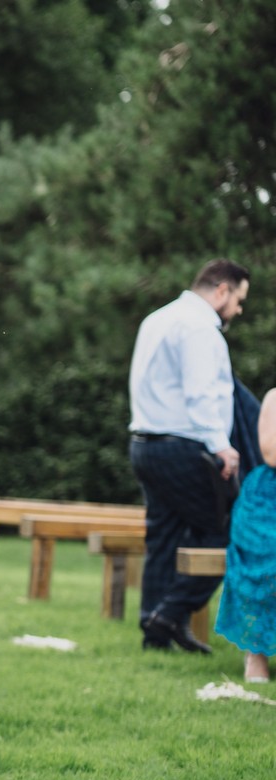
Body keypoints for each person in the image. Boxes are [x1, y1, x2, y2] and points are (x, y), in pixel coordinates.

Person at [128, 259, 252, 653]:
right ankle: (169, 614)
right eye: (238, 299)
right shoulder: (200, 327)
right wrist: (221, 445)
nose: (238, 309)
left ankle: (156, 626)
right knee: (227, 531)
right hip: (183, 446)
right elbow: (200, 393)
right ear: (221, 290)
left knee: (163, 535)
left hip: (144, 444)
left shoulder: (158, 318)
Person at [218, 387, 276, 683]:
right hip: (267, 503)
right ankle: (256, 652)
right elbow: (271, 452)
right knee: (270, 555)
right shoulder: (274, 398)